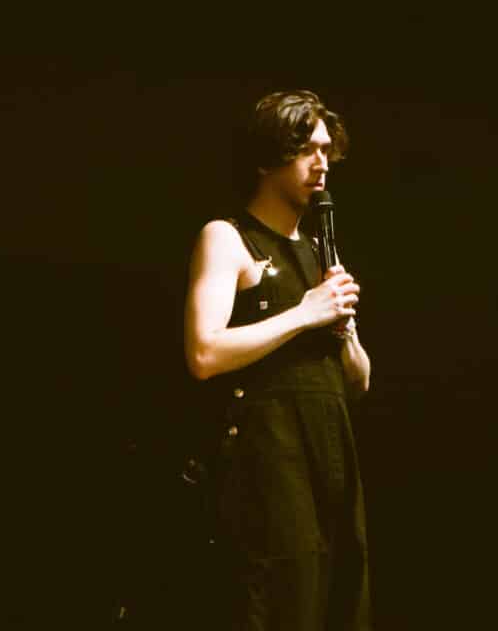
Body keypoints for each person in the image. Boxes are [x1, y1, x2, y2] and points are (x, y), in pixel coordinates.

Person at [183, 90, 371, 630]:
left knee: (340, 604)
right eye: (307, 149)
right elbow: (204, 352)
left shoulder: (321, 254)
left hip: (330, 458)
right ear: (267, 158)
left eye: (327, 150)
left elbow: (357, 381)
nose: (322, 163)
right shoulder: (228, 238)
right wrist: (305, 314)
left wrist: (343, 330)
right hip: (268, 464)